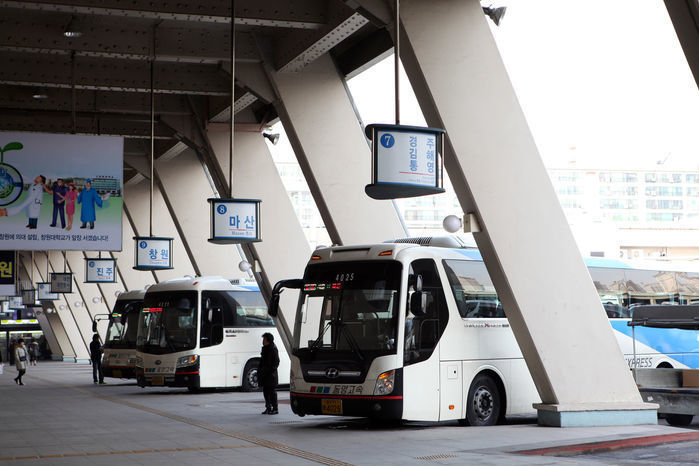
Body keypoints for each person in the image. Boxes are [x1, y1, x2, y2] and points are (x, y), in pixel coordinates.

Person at [258, 332, 280, 414]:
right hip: (265, 374)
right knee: (266, 391)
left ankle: (275, 408)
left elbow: (276, 362)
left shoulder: (273, 349)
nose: (263, 341)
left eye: (264, 339)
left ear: (268, 340)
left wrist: (270, 370)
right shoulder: (265, 348)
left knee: (272, 392)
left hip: (271, 375)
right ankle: (268, 407)